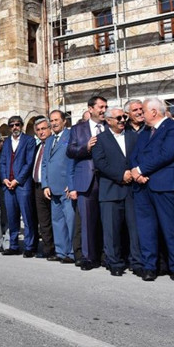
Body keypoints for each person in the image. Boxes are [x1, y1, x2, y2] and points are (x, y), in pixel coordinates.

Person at [130, 97, 174, 284]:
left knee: (170, 228)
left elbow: (166, 154)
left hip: (165, 185)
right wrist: (136, 172)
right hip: (143, 186)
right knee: (146, 229)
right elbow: (135, 154)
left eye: (143, 111)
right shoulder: (146, 132)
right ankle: (150, 267)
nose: (141, 114)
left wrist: (141, 170)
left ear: (154, 112)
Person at [92, 107, 140, 276]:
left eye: (124, 117)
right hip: (111, 190)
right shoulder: (99, 140)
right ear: (108, 120)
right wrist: (121, 175)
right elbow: (100, 163)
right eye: (118, 117)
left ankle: (136, 261)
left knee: (135, 229)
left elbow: (140, 157)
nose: (122, 120)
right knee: (111, 230)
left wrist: (133, 173)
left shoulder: (134, 136)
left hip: (132, 190)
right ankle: (115, 262)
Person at [67, 96, 108, 270]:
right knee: (87, 221)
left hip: (107, 179)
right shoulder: (78, 129)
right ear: (90, 109)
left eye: (105, 107)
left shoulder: (109, 127)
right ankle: (88, 257)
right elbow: (70, 151)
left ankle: (107, 256)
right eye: (100, 107)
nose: (104, 110)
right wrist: (87, 148)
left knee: (107, 220)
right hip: (86, 180)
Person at [0, 115, 36, 256]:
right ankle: (13, 245)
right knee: (11, 217)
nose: (15, 127)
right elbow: (2, 162)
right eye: (12, 125)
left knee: (27, 217)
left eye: (17, 124)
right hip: (8, 185)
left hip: (22, 185)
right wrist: (5, 179)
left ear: (22, 126)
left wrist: (17, 180)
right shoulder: (7, 142)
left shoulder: (29, 140)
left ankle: (29, 246)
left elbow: (29, 162)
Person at [41, 110, 75, 264]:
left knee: (70, 220)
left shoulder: (71, 135)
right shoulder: (49, 140)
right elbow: (45, 163)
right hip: (52, 187)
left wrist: (72, 183)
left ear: (64, 121)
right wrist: (45, 185)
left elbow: (74, 161)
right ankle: (61, 251)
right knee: (57, 221)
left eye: (56, 120)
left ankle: (73, 252)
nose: (53, 123)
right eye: (51, 120)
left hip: (66, 186)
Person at [31, 117, 54, 258]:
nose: (41, 132)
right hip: (38, 187)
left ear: (50, 129)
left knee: (54, 219)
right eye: (38, 130)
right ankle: (47, 249)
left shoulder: (53, 145)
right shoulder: (38, 146)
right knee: (43, 220)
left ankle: (58, 248)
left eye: (44, 128)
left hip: (51, 187)